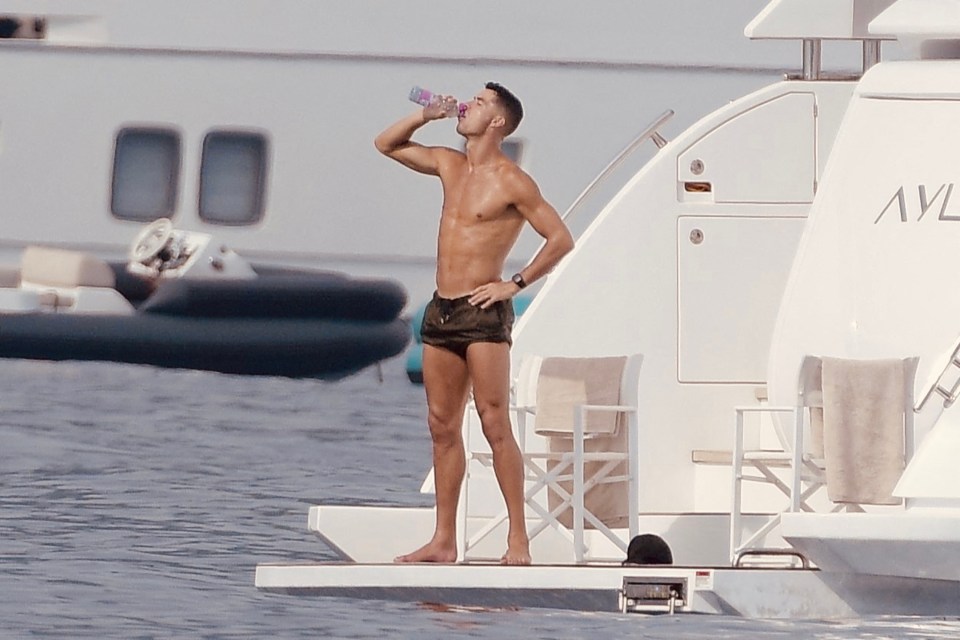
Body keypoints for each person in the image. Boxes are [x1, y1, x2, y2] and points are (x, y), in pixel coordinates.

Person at [375, 82, 574, 565]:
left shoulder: (512, 181)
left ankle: (518, 540)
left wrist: (515, 283)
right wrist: (427, 115)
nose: (468, 106)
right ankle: (444, 540)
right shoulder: (449, 163)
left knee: (493, 422)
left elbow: (560, 238)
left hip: (482, 312)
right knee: (442, 426)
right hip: (441, 310)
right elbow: (386, 145)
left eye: (480, 103)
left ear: (498, 122)